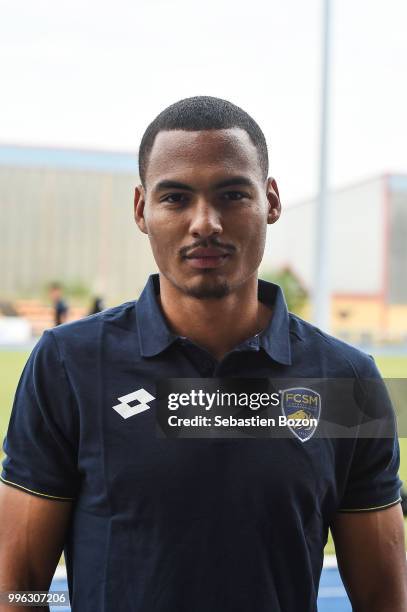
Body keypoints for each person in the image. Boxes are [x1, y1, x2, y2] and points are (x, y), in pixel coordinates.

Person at [0, 96, 406, 612]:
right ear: (141, 209)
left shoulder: (348, 381)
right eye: (175, 198)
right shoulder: (68, 363)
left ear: (272, 201)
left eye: (233, 194)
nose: (205, 223)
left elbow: (381, 596)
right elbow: (20, 579)